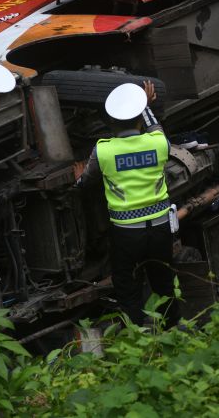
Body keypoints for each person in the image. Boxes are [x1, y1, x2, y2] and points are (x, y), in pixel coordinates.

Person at [76, 81, 179, 327]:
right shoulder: (158, 142)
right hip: (160, 228)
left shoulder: (103, 151)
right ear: (139, 121)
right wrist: (145, 103)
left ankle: (136, 332)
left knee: (127, 285)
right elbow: (154, 125)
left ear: (110, 123)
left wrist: (77, 177)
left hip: (125, 233)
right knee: (164, 281)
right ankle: (173, 328)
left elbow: (84, 183)